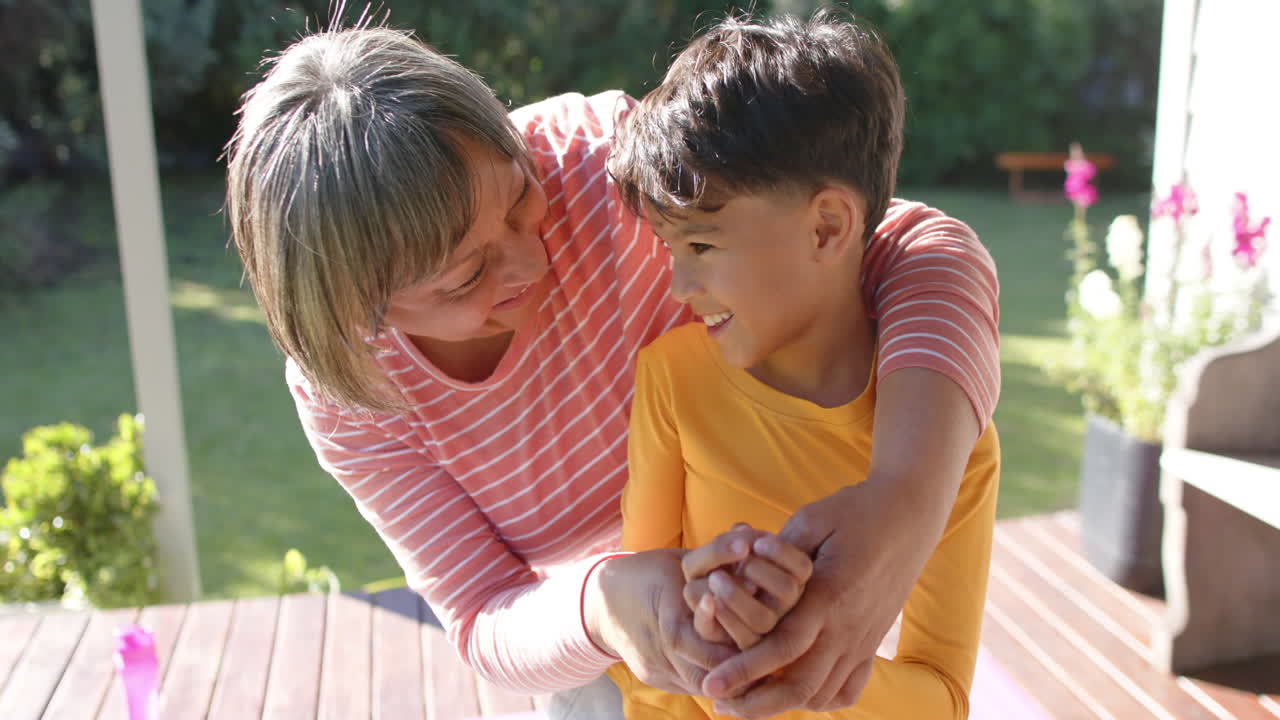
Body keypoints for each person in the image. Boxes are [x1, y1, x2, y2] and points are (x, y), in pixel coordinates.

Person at [223, 13, 999, 720]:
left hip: (803, 566)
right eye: (466, 276)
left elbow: (910, 244)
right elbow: (483, 614)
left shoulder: (598, 162)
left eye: (522, 198)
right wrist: (604, 606)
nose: (532, 258)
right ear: (362, 310)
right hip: (592, 644)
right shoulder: (352, 396)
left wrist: (907, 493)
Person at [603, 12, 1000, 719]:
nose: (677, 288)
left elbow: (942, 694)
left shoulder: (952, 448)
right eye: (670, 249)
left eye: (701, 246)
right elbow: (640, 646)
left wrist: (796, 654)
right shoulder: (672, 377)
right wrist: (707, 635)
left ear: (827, 228)